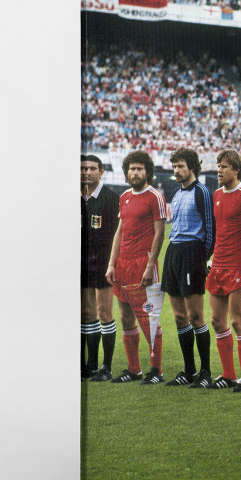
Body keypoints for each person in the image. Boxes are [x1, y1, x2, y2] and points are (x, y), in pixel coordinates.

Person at [104, 151, 167, 383]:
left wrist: (151, 265)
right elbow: (120, 232)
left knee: (149, 317)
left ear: (147, 172)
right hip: (123, 264)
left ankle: (156, 370)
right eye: (132, 169)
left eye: (139, 168)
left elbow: (160, 233)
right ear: (126, 172)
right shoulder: (125, 196)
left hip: (144, 262)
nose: (135, 172)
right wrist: (112, 264)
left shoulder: (155, 196)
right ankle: (134, 369)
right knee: (125, 317)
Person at [202, 149, 241, 390]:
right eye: (218, 166)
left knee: (237, 321)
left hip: (238, 265)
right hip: (218, 265)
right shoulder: (216, 194)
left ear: (236, 170)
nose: (219, 170)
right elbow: (219, 232)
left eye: (224, 167)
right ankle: (227, 375)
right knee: (217, 321)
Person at [161, 148, 215, 387]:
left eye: (180, 166)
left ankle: (205, 372)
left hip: (192, 253)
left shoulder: (202, 192)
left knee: (195, 316)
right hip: (173, 251)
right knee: (180, 317)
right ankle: (189, 371)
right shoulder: (176, 192)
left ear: (192, 167)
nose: (176, 171)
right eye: (174, 167)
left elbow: (211, 229)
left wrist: (203, 257)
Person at [81, 155, 118, 381]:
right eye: (83, 168)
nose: (87, 172)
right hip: (82, 263)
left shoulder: (111, 198)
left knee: (104, 312)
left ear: (101, 172)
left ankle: (106, 366)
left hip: (104, 262)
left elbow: (118, 235)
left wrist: (113, 263)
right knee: (86, 313)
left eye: (92, 168)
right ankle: (90, 365)